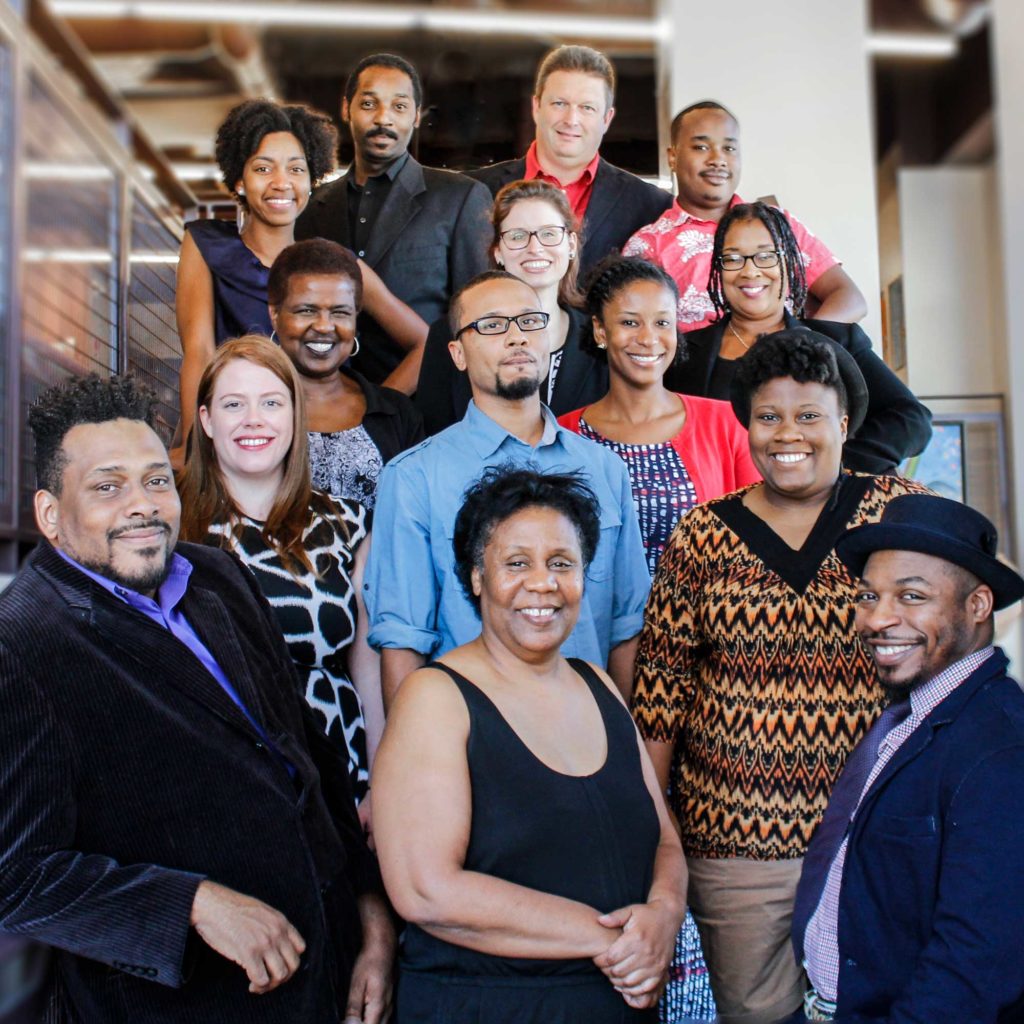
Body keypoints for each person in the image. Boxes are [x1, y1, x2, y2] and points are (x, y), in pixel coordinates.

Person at [0, 374, 395, 1022]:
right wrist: (190, 903)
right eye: (107, 487)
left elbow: (306, 749)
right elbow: (15, 876)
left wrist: (370, 914)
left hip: (330, 969)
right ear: (50, 514)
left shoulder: (216, 575)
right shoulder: (21, 644)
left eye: (157, 480)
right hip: (195, 1003)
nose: (143, 505)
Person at [631, 331, 930, 1024]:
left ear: (844, 424)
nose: (787, 434)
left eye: (808, 415)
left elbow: (948, 658)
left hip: (876, 836)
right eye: (768, 416)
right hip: (735, 848)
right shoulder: (701, 536)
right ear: (747, 426)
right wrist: (656, 838)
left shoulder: (897, 514)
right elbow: (661, 699)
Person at [373, 466, 686, 1023]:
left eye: (561, 563)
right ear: (477, 577)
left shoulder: (600, 686)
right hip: (490, 1006)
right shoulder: (435, 698)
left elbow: (663, 839)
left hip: (618, 1001)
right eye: (516, 563)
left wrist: (663, 915)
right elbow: (425, 890)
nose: (542, 583)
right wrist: (613, 940)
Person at [787, 495, 1024, 1023]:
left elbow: (975, 961)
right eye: (868, 596)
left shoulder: (1000, 749)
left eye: (912, 596)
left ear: (978, 606)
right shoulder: (909, 717)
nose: (877, 619)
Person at [366, 270, 650, 708]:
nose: (517, 337)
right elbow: (403, 639)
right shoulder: (414, 477)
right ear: (458, 354)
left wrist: (619, 732)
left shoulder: (605, 469)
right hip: (474, 732)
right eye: (492, 325)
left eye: (529, 321)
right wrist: (414, 744)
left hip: (588, 726)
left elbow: (627, 625)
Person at [177, 334, 383, 806]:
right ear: (206, 420)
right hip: (214, 779)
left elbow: (368, 670)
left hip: (335, 775)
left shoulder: (349, 523)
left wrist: (380, 783)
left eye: (271, 403)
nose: (254, 419)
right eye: (233, 404)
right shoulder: (173, 526)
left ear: (294, 417)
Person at [175, 98, 427, 463]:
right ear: (239, 181)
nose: (282, 183)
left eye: (296, 169)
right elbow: (198, 352)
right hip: (239, 437)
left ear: (311, 180)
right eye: (263, 168)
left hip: (319, 439)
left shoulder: (333, 265)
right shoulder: (207, 245)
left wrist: (373, 410)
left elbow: (426, 343)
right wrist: (195, 445)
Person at [664, 201, 932, 473]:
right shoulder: (684, 354)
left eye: (766, 256)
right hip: (722, 497)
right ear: (718, 269)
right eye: (733, 258)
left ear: (789, 263)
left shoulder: (836, 341)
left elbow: (911, 419)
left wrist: (834, 467)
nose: (750, 271)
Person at [296, 52, 492, 385]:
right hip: (328, 395)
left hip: (426, 398)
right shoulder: (312, 207)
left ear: (416, 116)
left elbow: (478, 317)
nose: (383, 118)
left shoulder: (460, 198)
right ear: (346, 109)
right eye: (369, 104)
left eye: (399, 106)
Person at [559, 254, 759, 574]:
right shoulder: (563, 435)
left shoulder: (727, 423)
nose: (648, 338)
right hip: (599, 607)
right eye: (629, 322)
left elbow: (762, 543)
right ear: (600, 330)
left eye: (662, 323)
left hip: (707, 605)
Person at [624, 101, 865, 334]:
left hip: (784, 357)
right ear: (673, 157)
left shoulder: (777, 224)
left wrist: (802, 344)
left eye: (729, 149)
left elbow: (849, 298)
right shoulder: (649, 244)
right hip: (699, 361)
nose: (717, 159)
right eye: (701, 147)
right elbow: (637, 330)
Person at [416, 178, 608, 435]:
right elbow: (435, 433)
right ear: (498, 251)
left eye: (549, 234)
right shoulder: (450, 333)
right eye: (518, 236)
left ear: (571, 245)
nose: (535, 248)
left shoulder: (600, 335)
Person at [467, 45, 672, 274]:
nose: (571, 119)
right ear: (536, 107)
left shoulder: (652, 206)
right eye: (559, 104)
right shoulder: (473, 192)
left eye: (587, 108)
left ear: (607, 119)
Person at [267, 239, 424, 508]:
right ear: (275, 314)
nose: (324, 326)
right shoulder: (244, 409)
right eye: (307, 310)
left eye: (340, 312)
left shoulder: (397, 413)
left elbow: (417, 513)